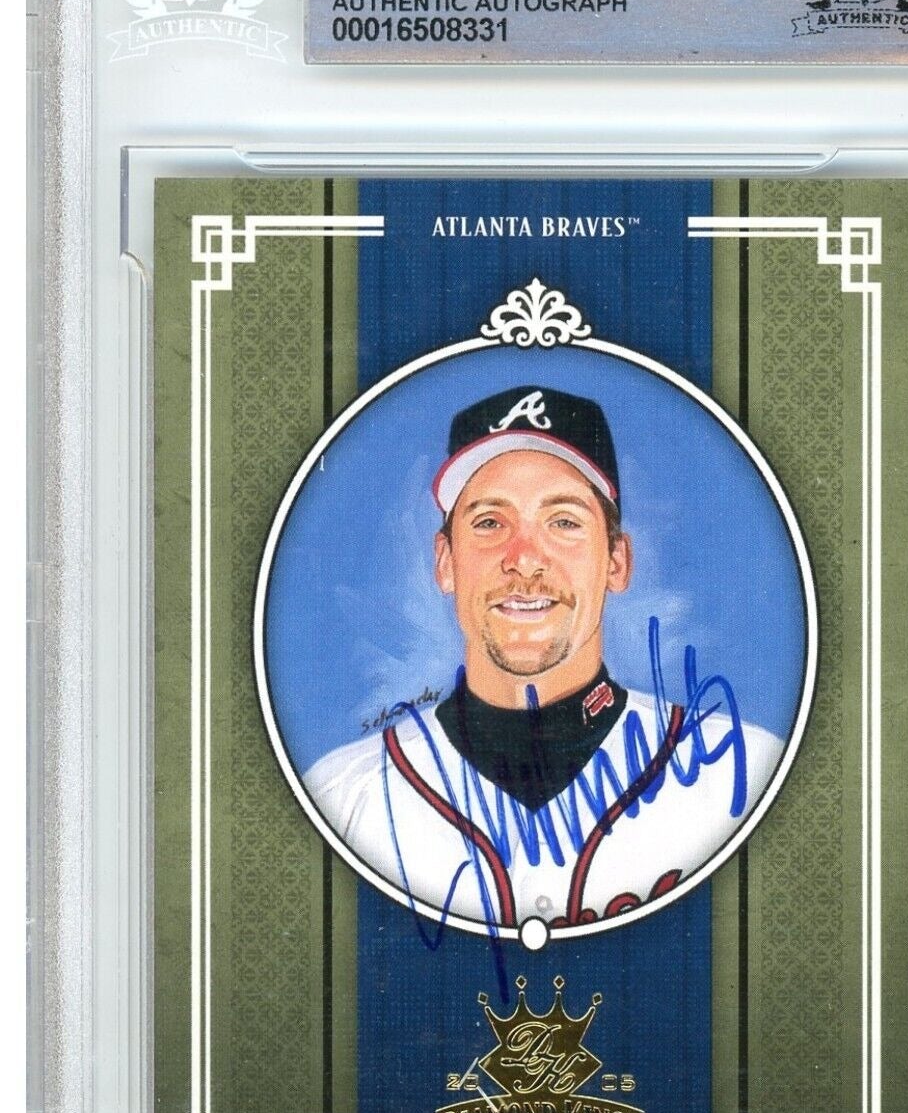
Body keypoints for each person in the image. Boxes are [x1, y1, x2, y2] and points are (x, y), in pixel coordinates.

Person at [303, 385, 785, 936]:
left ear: (617, 562)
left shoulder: (745, 775)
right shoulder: (342, 796)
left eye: (564, 522)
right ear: (445, 562)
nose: (525, 559)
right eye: (489, 522)